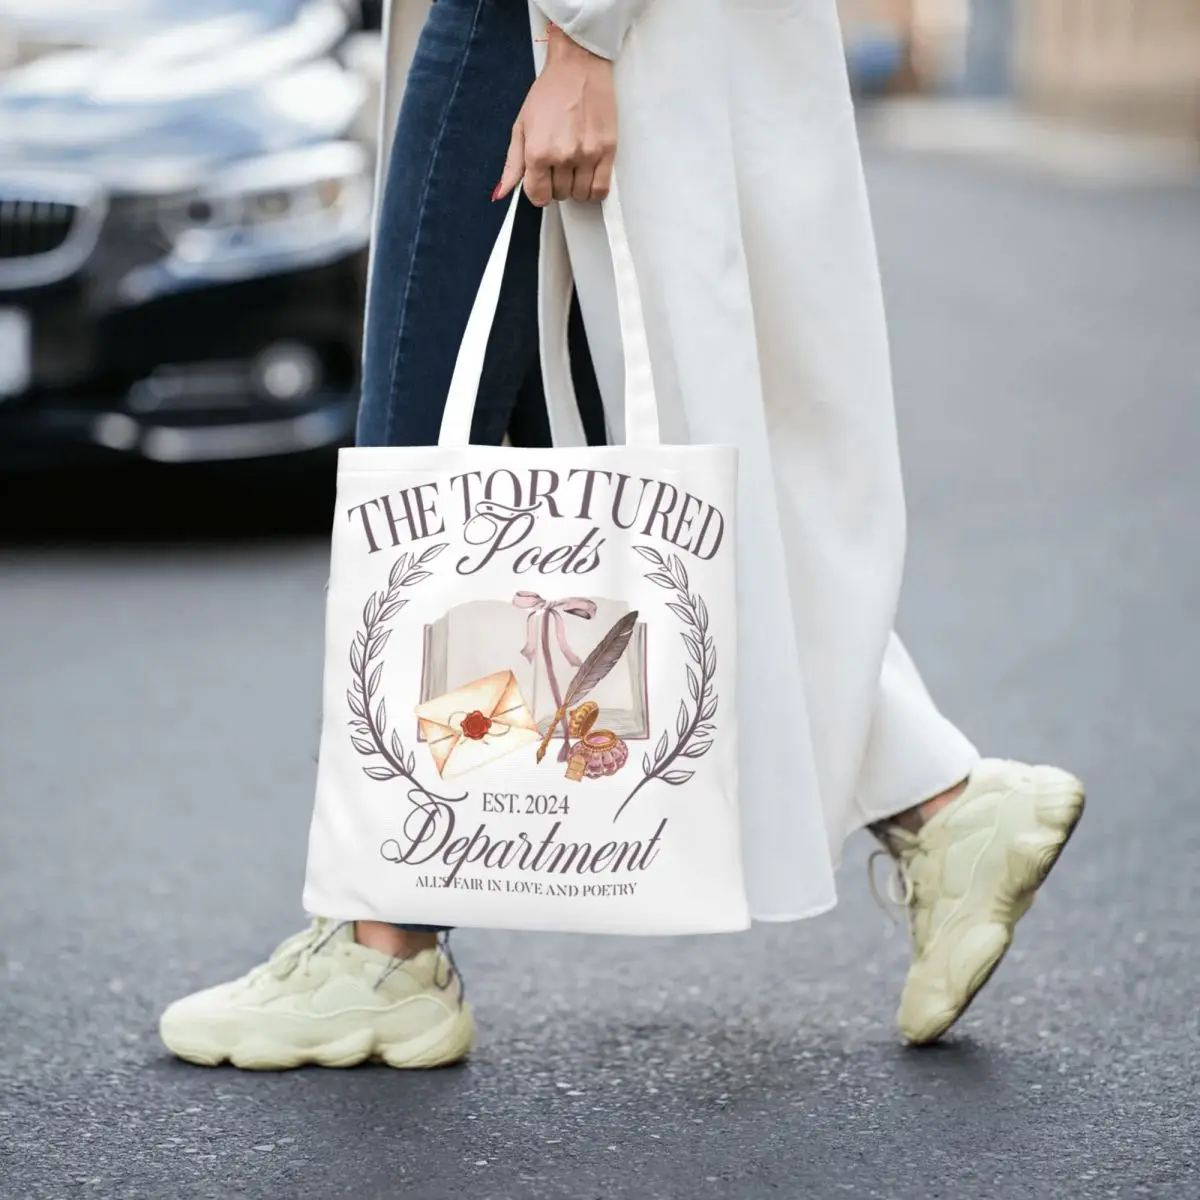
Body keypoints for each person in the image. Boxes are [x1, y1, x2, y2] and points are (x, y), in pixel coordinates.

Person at [158, 0, 1084, 1070]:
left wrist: (583, 37)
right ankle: (942, 804)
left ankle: (383, 940)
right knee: (587, 428)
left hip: (539, 23)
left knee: (426, 443)